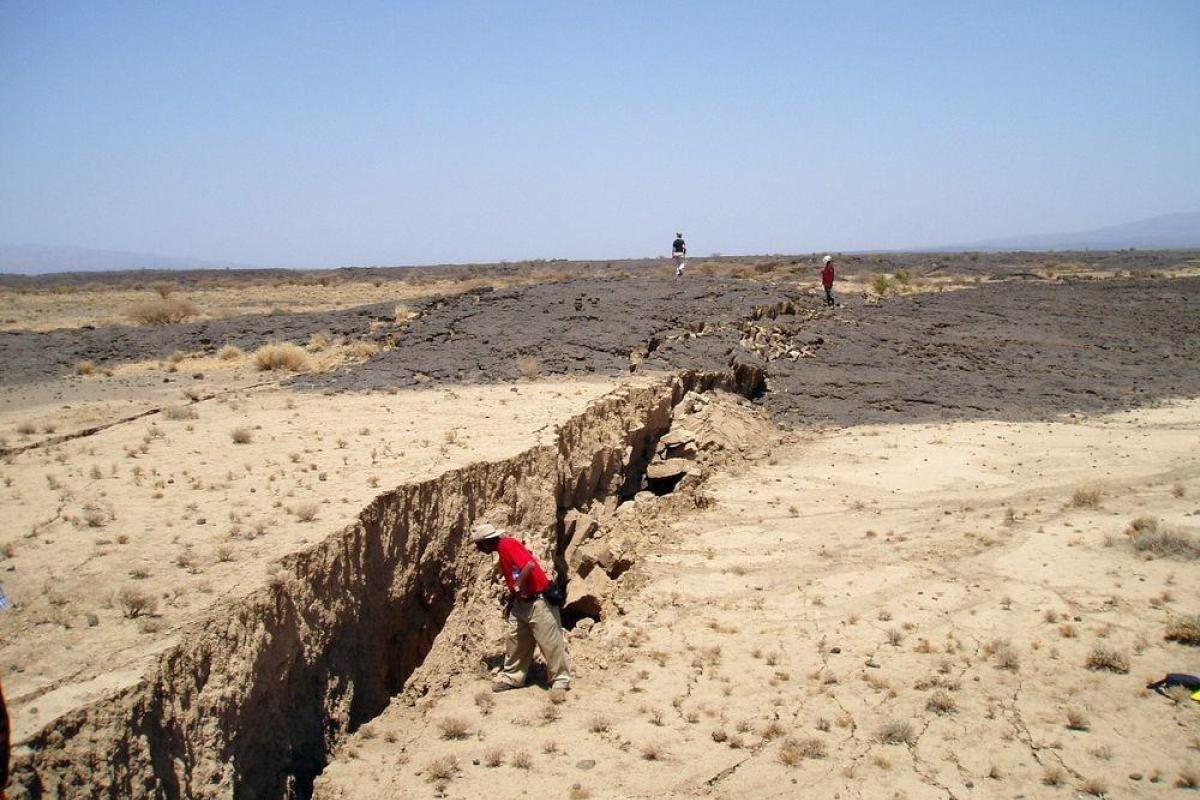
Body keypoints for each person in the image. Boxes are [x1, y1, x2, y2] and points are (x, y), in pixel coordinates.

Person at [471, 522, 571, 692]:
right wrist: (512, 600)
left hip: (538, 601)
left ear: (486, 542)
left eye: (479, 545)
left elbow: (528, 566)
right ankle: (513, 677)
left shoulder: (507, 544)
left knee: (549, 641)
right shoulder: (501, 549)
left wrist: (517, 586)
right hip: (521, 602)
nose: (479, 549)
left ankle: (560, 679)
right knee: (515, 639)